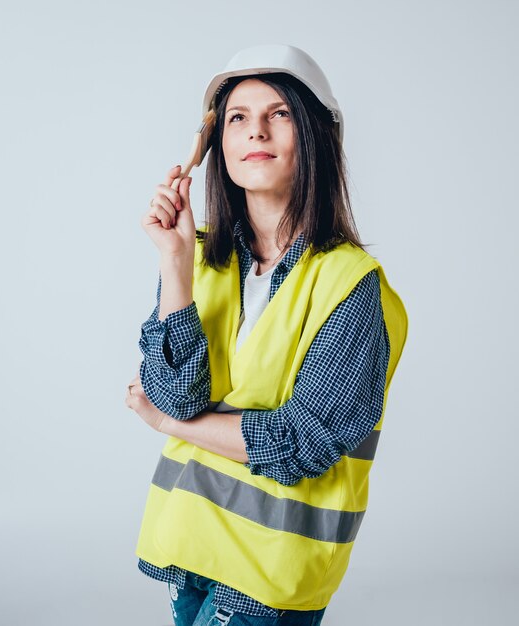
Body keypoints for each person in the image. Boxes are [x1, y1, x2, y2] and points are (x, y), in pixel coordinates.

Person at [125, 44, 408, 626]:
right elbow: (178, 391)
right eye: (237, 117)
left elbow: (300, 445)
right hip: (192, 549)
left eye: (278, 114)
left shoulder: (351, 286)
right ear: (215, 146)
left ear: (313, 138)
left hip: (270, 573)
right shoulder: (200, 260)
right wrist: (174, 262)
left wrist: (167, 425)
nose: (255, 130)